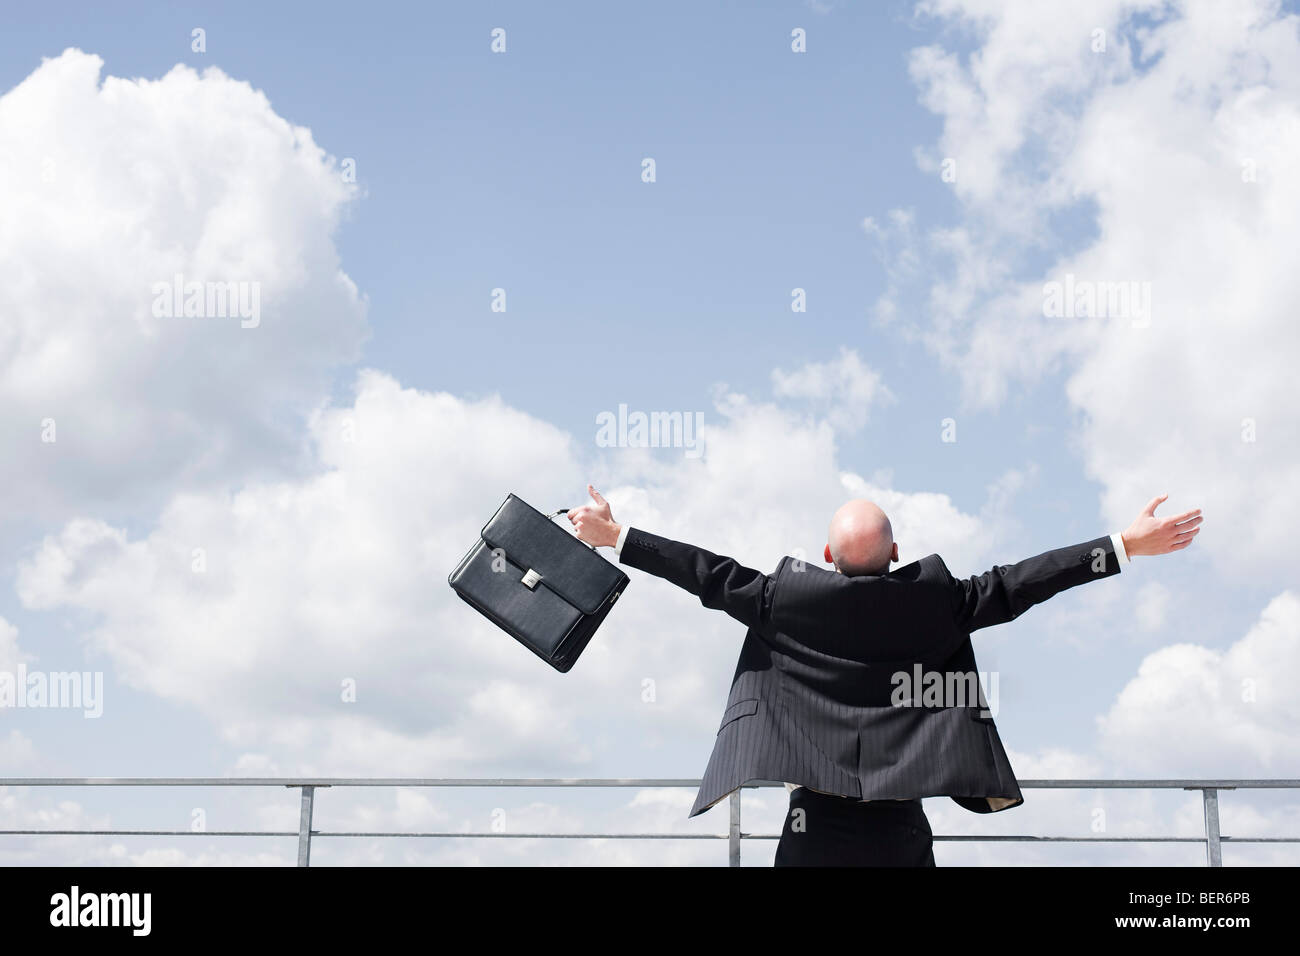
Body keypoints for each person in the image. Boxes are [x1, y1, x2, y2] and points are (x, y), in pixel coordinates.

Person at [568, 485, 1201, 866]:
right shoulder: (940, 602)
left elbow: (705, 572)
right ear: (897, 552)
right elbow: (1027, 579)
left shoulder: (781, 602)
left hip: (810, 827)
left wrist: (617, 535)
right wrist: (1122, 544)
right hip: (900, 830)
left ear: (825, 557)